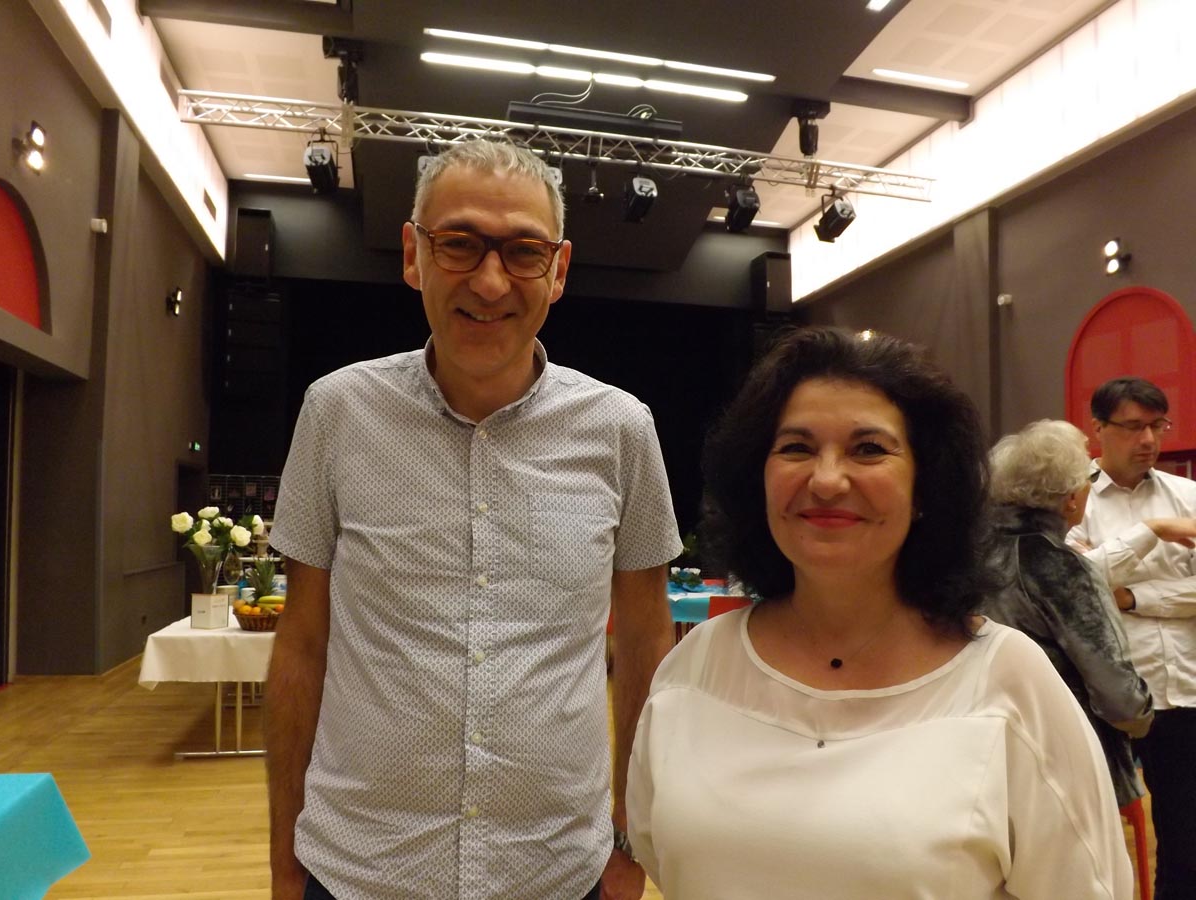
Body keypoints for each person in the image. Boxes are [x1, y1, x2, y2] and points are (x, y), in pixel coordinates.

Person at [265, 138, 682, 900]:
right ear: (413, 255)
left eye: (524, 251)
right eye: (458, 243)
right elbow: (302, 642)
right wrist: (283, 857)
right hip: (359, 869)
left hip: (558, 870)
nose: (490, 281)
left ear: (558, 270)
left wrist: (632, 837)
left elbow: (647, 639)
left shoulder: (623, 430)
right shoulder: (336, 414)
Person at [627, 326, 1132, 899]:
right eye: (796, 448)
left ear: (925, 487)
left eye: (868, 449)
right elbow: (663, 854)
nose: (826, 479)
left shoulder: (1008, 682)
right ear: (757, 479)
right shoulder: (695, 669)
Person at [1068, 377, 1196, 900]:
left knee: (1186, 840)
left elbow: (1101, 582)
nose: (1148, 439)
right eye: (1133, 426)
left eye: (1157, 425)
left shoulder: (1188, 496)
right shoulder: (1073, 500)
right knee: (1091, 835)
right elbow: (1074, 583)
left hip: (1184, 689)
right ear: (1098, 429)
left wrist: (1133, 598)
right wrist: (1154, 532)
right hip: (1105, 694)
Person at [983, 419, 1152, 807]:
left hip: (976, 755)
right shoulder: (1060, 565)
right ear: (1071, 499)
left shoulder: (965, 557)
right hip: (1060, 763)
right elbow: (1119, 697)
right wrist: (1141, 718)